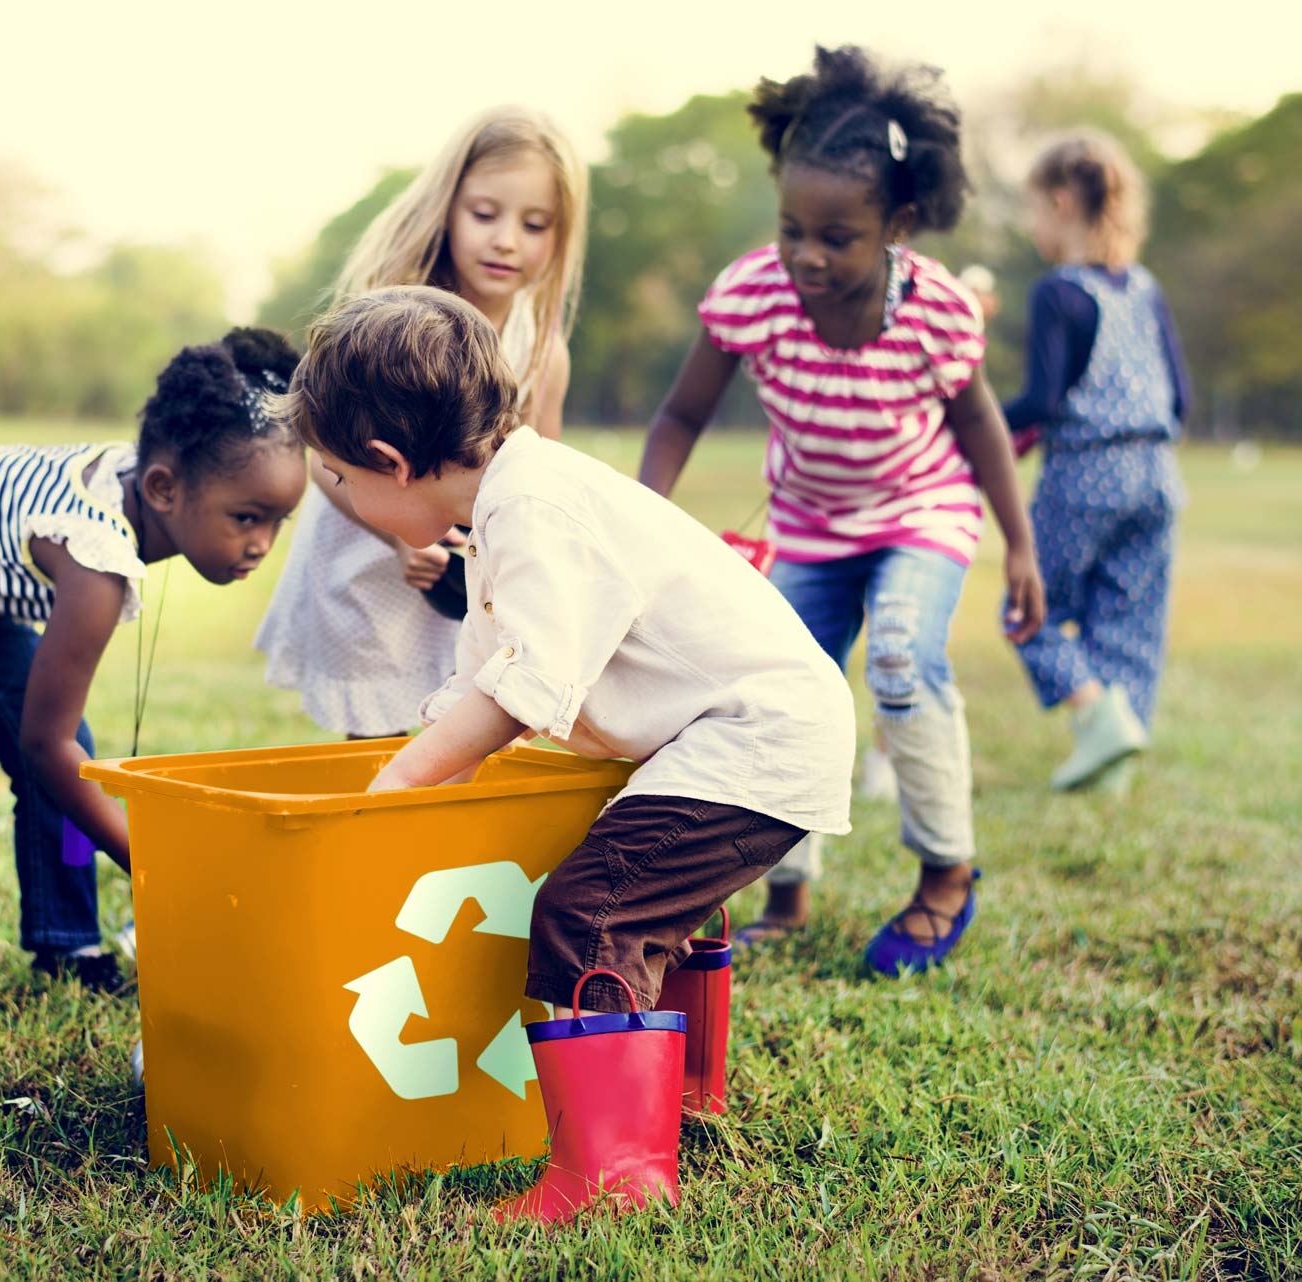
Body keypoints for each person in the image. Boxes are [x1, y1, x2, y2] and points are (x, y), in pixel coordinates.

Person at [281, 285, 853, 1218]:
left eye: (339, 480)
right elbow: (479, 688)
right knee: (652, 904)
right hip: (737, 736)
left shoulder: (537, 510)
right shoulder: (517, 501)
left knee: (592, 915)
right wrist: (425, 803)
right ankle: (681, 1110)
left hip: (755, 738)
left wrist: (397, 783)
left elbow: (522, 688)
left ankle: (617, 1177)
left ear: (389, 461)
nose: (342, 499)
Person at [638, 46, 1047, 976]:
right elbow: (679, 415)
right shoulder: (753, 294)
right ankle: (788, 887)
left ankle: (946, 875)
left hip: (920, 510)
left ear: (898, 223)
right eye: (792, 228)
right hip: (813, 527)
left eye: (837, 236)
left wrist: (1019, 544)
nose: (808, 256)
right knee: (784, 691)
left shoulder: (935, 311)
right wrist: (645, 523)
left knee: (902, 655)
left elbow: (980, 425)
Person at [0, 329, 308, 1017]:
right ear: (163, 488)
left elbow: (57, 745)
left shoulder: (143, 481)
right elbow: (45, 745)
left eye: (279, 521)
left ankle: (67, 943)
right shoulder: (95, 558)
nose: (260, 544)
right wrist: (149, 862)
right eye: (247, 517)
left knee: (78, 757)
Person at [255, 107, 589, 739]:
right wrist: (401, 539)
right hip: (371, 561)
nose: (507, 240)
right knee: (378, 743)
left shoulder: (542, 351)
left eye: (535, 224)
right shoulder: (387, 320)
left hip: (466, 578)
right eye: (485, 214)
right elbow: (325, 456)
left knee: (464, 732)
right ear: (447, 207)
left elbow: (538, 482)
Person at [1003, 131, 1189, 791]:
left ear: (1060, 202)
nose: (1032, 226)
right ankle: (1112, 766)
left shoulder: (1059, 292)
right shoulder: (1145, 288)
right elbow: (1183, 396)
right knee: (1130, 622)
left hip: (1086, 473)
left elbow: (1042, 400)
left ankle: (1096, 721)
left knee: (1031, 611)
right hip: (1158, 476)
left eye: (1032, 210)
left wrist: (972, 421)